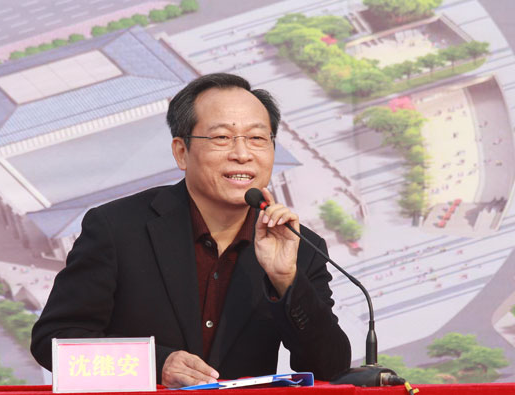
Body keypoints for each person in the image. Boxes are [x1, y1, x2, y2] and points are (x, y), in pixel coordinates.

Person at [30, 73, 351, 387]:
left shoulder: (299, 246)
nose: (242, 154)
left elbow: (330, 368)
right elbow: (54, 342)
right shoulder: (117, 228)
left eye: (257, 138)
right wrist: (156, 366)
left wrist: (286, 280)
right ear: (181, 152)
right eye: (222, 138)